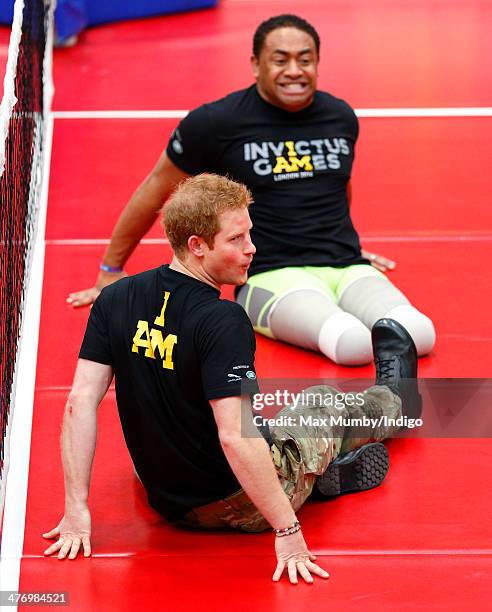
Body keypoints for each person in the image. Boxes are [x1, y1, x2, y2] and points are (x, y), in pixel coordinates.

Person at [47, 174, 422, 582]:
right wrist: (287, 531)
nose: (251, 249)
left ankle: (318, 479)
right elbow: (233, 436)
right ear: (197, 246)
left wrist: (76, 509)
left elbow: (79, 401)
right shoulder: (222, 320)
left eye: (250, 234)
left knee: (254, 421)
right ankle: (397, 401)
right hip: (238, 505)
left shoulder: (116, 297)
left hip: (167, 499)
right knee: (319, 405)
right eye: (236, 239)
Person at [67, 14, 435, 367]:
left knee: (419, 334)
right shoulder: (216, 122)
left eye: (305, 60)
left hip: (345, 266)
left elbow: (337, 184)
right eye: (280, 60)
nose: (294, 70)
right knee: (351, 343)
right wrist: (110, 269)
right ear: (256, 64)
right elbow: (155, 189)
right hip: (269, 275)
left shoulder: (339, 117)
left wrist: (341, 237)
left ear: (318, 63)